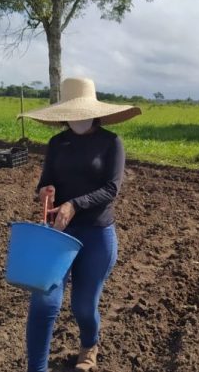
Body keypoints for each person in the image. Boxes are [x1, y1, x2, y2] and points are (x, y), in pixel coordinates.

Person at [18, 77, 141, 372]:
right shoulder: (57, 143)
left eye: (82, 110)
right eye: (71, 111)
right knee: (44, 303)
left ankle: (89, 345)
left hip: (97, 233)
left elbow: (112, 189)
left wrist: (75, 204)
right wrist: (44, 192)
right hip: (59, 234)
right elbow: (46, 181)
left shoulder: (111, 142)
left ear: (93, 111)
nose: (77, 117)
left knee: (83, 307)